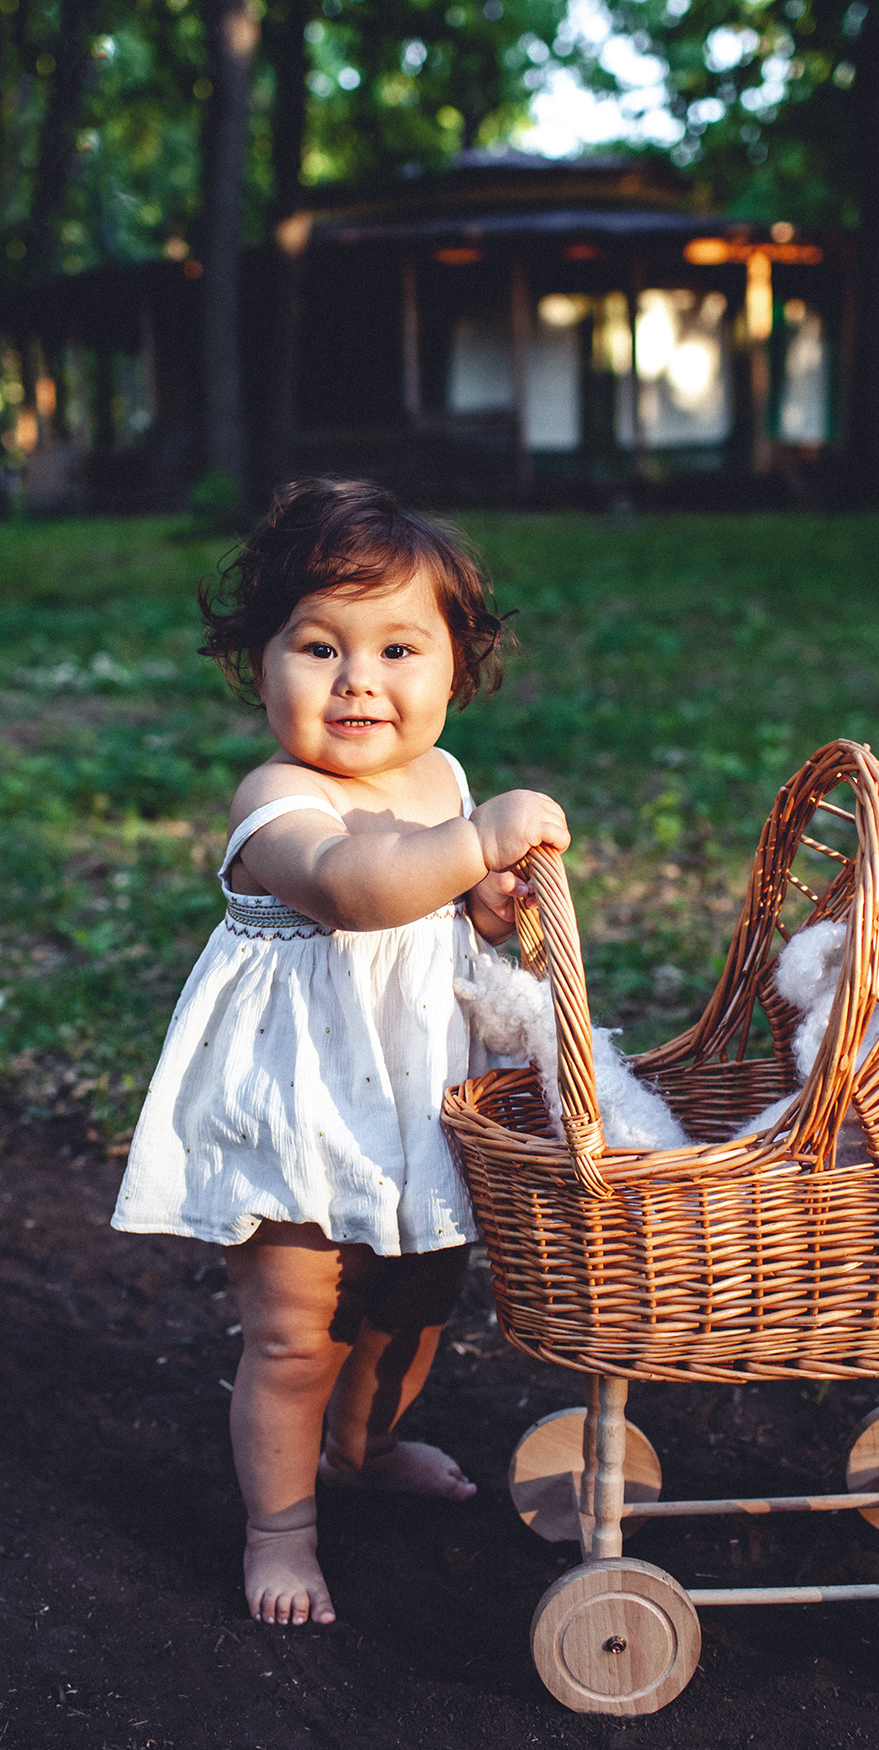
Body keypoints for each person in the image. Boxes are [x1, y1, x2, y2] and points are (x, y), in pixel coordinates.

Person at [112, 478, 569, 1629]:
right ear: (255, 666)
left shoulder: (439, 778)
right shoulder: (279, 802)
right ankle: (280, 1525)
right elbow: (359, 892)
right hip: (297, 1103)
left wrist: (487, 900)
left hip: (413, 1101)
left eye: (398, 648)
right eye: (318, 646)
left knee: (416, 1299)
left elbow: (436, 914)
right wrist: (471, 844)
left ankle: (365, 1448)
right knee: (296, 1324)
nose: (359, 678)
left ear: (456, 668)